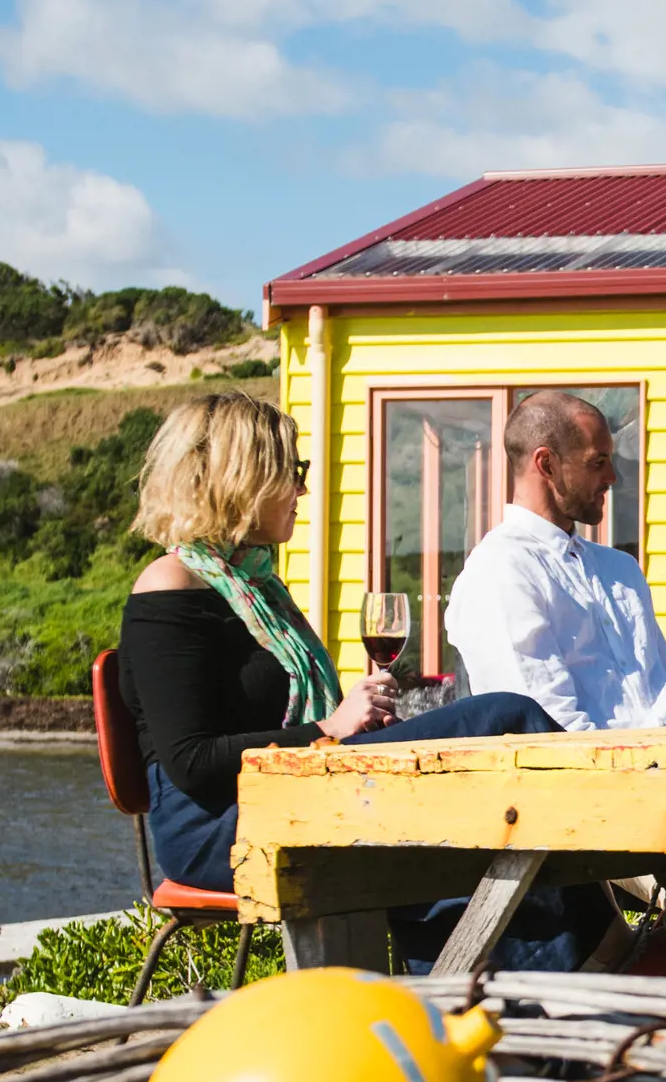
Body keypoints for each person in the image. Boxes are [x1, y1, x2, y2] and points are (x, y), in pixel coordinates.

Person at [115, 392, 599, 970]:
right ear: (241, 478)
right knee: (505, 718)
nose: (302, 490)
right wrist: (328, 727)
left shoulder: (257, 588)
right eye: (291, 472)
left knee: (472, 805)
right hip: (220, 825)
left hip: (296, 786)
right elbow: (191, 760)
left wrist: (357, 726)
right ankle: (604, 936)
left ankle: (509, 1002)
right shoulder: (171, 587)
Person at [446, 391, 666, 730]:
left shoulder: (621, 569)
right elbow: (545, 728)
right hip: (590, 778)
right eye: (597, 462)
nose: (612, 478)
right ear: (546, 464)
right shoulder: (500, 571)